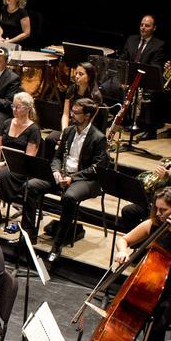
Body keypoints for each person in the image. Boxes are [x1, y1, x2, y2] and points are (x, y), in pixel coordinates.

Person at [114, 186, 171, 341]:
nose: (159, 213)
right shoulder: (152, 225)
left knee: (156, 332)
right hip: (150, 286)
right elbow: (124, 240)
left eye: (164, 210)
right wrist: (123, 251)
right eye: (156, 208)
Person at [22, 98, 109, 261]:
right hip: (63, 175)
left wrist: (71, 178)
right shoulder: (68, 131)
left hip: (86, 180)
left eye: (76, 113)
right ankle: (28, 237)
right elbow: (57, 157)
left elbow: (96, 169)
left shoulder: (98, 138)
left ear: (88, 116)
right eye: (72, 112)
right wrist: (55, 170)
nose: (72, 116)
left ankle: (57, 246)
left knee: (69, 197)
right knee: (30, 186)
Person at [45, 61, 102, 155]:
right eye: (76, 73)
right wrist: (64, 132)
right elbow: (66, 114)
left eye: (81, 74)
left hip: (85, 128)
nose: (76, 76)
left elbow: (90, 120)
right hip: (71, 125)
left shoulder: (95, 95)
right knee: (50, 139)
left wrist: (73, 135)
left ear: (89, 77)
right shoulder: (71, 90)